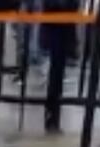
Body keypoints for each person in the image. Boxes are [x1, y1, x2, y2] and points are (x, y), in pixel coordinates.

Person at [41, 0, 79, 133]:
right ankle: (52, 116)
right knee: (55, 73)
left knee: (57, 73)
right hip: (57, 26)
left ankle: (53, 116)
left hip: (62, 26)